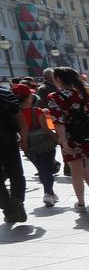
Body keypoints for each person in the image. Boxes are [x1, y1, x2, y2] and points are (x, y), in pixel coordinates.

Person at [44, 68, 89, 216]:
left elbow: (59, 122)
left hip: (70, 138)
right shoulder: (86, 94)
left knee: (77, 173)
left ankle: (81, 203)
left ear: (58, 80)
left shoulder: (55, 97)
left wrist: (64, 142)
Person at [16, 83, 61, 208]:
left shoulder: (15, 114)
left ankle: (50, 193)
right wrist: (56, 138)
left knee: (41, 169)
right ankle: (48, 193)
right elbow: (46, 128)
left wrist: (23, 142)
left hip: (28, 145)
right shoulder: (37, 111)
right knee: (47, 169)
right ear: (28, 97)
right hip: (44, 143)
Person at [0, 79, 23, 223]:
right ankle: (17, 199)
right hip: (8, 140)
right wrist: (24, 138)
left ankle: (8, 210)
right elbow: (19, 117)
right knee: (16, 174)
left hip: (8, 139)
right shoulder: (5, 93)